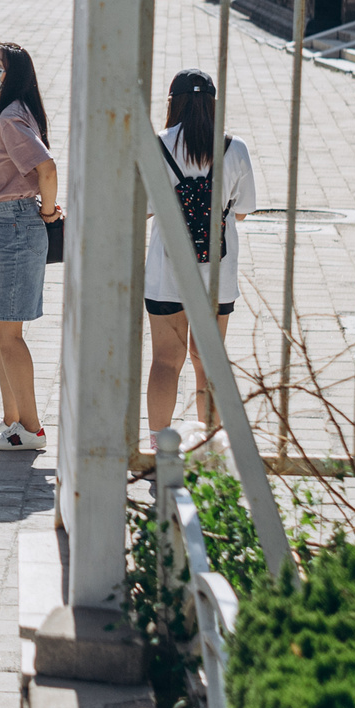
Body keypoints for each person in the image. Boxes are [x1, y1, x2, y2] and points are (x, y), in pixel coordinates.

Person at [145, 68, 254, 445]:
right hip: (217, 275)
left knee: (165, 361)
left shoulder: (156, 144)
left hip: (166, 271)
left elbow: (141, 209)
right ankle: (208, 445)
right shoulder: (233, 148)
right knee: (207, 363)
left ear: (172, 103)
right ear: (212, 104)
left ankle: (160, 447)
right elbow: (242, 210)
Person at [0, 42, 61, 451]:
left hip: (18, 225)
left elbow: (46, 168)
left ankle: (31, 428)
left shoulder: (9, 118)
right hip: (7, 224)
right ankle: (12, 423)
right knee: (2, 329)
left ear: (15, 74)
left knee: (9, 333)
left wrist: (43, 213)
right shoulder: (10, 114)